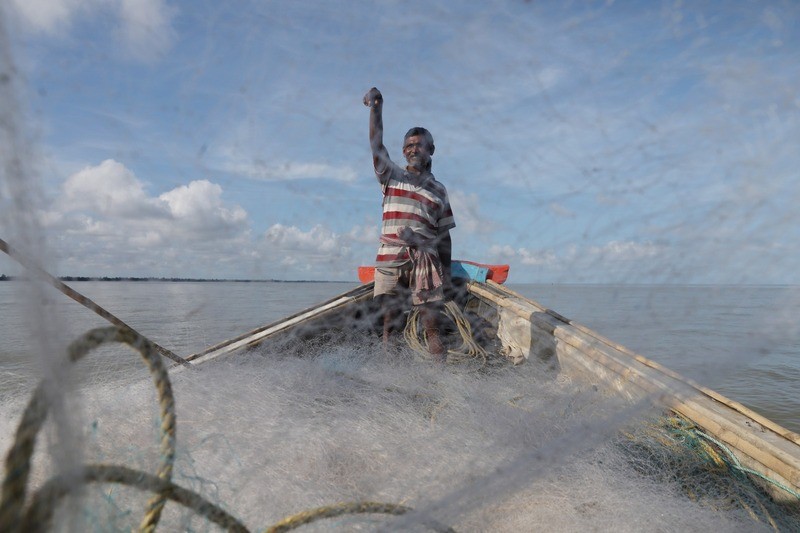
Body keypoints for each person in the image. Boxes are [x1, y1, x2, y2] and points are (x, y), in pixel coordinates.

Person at [362, 87, 456, 359]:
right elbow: (376, 145)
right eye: (409, 146)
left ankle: (438, 369)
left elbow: (444, 235)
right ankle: (391, 369)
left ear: (431, 150)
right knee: (390, 323)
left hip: (426, 260)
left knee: (432, 325)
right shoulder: (391, 175)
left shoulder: (439, 190)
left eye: (420, 145)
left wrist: (447, 274)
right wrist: (376, 109)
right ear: (403, 152)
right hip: (391, 257)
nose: (414, 149)